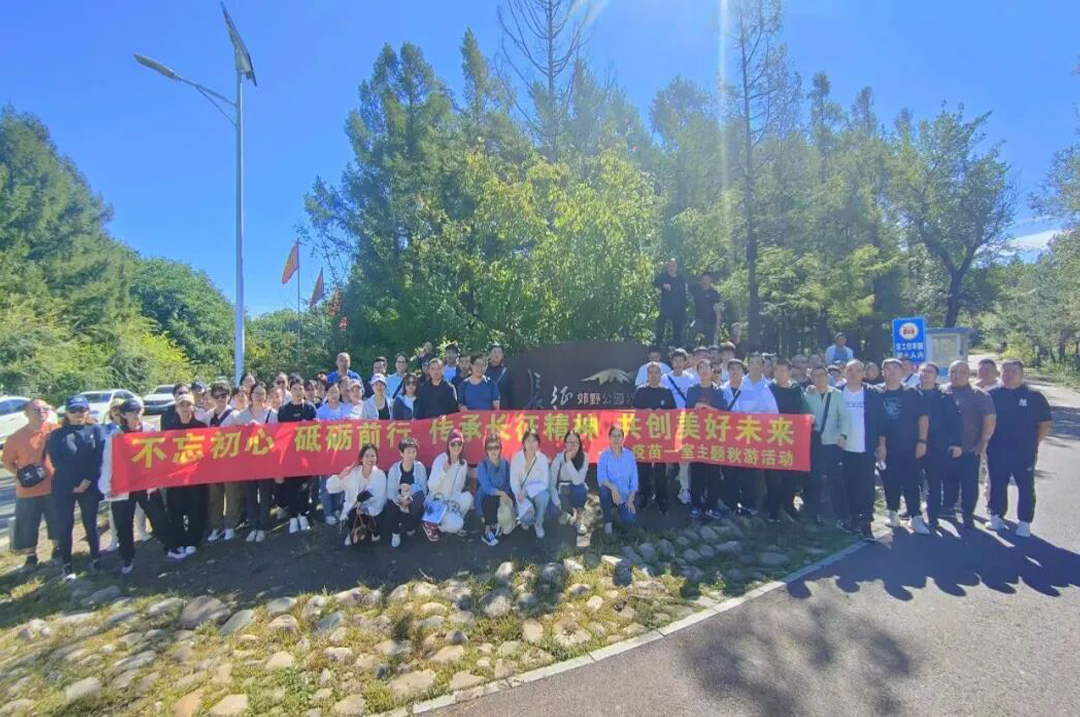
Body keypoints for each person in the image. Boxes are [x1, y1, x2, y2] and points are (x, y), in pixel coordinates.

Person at [99, 398, 181, 573]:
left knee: (159, 518)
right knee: (123, 524)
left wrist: (160, 477)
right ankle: (127, 559)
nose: (136, 415)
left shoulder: (149, 430)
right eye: (132, 412)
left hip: (146, 483)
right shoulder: (115, 436)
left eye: (139, 411)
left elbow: (159, 455)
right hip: (123, 486)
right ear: (123, 415)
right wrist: (107, 487)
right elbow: (107, 463)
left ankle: (171, 548)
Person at [986, 359, 1052, 537]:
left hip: (1024, 451)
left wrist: (1034, 443)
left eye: (1013, 371)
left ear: (1022, 374)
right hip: (997, 449)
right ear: (1000, 373)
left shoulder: (1034, 396)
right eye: (1005, 371)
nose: (1009, 375)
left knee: (1025, 486)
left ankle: (1024, 522)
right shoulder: (991, 395)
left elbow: (1044, 424)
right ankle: (996, 516)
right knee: (997, 484)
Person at [47, 396, 107, 578]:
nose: (78, 414)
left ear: (88, 410)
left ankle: (96, 559)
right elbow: (56, 461)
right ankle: (67, 564)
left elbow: (99, 458)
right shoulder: (57, 434)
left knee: (90, 522)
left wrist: (87, 481)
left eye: (82, 409)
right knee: (65, 524)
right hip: (64, 485)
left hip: (89, 483)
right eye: (73, 410)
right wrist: (72, 484)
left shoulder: (96, 430)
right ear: (66, 413)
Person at [2, 399, 59, 571]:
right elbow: (7, 462)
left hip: (54, 486)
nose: (42, 412)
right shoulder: (16, 437)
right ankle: (30, 556)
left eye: (45, 408)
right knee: (27, 523)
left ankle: (57, 550)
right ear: (26, 413)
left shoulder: (56, 430)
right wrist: (20, 475)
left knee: (56, 519)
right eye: (37, 409)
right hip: (28, 490)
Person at [942, 360, 996, 528]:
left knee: (969, 484)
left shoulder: (979, 395)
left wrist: (983, 441)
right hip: (945, 448)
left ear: (968, 374)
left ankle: (967, 514)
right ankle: (948, 507)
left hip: (970, 447)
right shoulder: (942, 391)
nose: (957, 375)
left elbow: (990, 420)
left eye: (962, 372)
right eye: (953, 371)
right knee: (948, 480)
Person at [879, 358, 930, 533]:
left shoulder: (912, 393)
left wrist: (922, 441)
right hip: (886, 447)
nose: (891, 371)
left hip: (910, 446)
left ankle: (915, 517)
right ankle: (893, 513)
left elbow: (923, 418)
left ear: (902, 372)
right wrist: (880, 446)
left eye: (895, 368)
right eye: (887, 368)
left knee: (912, 481)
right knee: (889, 480)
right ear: (882, 372)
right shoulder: (877, 392)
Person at [839, 360, 885, 539]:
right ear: (845, 372)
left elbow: (881, 422)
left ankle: (866, 522)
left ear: (863, 373)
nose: (853, 374)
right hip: (843, 448)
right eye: (850, 370)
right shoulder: (837, 392)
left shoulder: (873, 394)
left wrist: (882, 445)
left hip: (866, 447)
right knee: (848, 484)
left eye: (858, 371)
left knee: (866, 486)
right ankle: (852, 518)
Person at [726, 355, 777, 515]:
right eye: (752, 363)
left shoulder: (768, 387)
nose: (755, 366)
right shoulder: (731, 385)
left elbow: (774, 414)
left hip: (753, 436)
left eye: (758, 363)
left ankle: (749, 505)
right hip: (731, 436)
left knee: (749, 473)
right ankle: (731, 504)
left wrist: (754, 417)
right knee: (730, 471)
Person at [916, 363, 962, 531]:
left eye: (930, 372)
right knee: (912, 481)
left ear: (936, 376)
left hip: (937, 446)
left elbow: (955, 422)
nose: (926, 374)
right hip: (913, 444)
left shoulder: (944, 397)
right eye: (923, 371)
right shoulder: (911, 393)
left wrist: (956, 443)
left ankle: (933, 517)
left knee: (934, 483)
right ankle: (914, 513)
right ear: (918, 373)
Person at [765, 359, 812, 522]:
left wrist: (809, 419)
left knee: (792, 475)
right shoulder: (768, 389)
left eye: (783, 370)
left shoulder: (796, 389)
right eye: (777, 370)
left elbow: (804, 409)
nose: (780, 374)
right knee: (774, 476)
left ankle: (788, 505)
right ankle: (773, 509)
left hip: (792, 438)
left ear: (789, 372)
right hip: (772, 438)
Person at [162, 391, 208, 554]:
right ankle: (179, 539)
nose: (185, 408)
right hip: (176, 476)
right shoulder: (169, 429)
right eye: (181, 405)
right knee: (175, 509)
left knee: (196, 507)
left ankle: (193, 540)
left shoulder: (201, 427)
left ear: (193, 408)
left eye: (188, 404)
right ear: (176, 408)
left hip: (196, 476)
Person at [686, 360, 732, 520]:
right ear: (697, 372)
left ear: (712, 371)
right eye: (701, 368)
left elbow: (724, 412)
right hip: (696, 437)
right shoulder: (692, 390)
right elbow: (687, 410)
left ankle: (712, 506)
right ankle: (696, 505)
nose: (704, 371)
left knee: (713, 473)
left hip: (714, 438)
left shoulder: (718, 391)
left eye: (707, 368)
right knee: (696, 472)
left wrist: (707, 408)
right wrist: (696, 407)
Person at [804, 365, 850, 524]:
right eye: (815, 376)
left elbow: (844, 417)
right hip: (815, 443)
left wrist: (844, 435)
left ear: (827, 376)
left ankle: (841, 514)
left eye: (822, 375)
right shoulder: (808, 395)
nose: (819, 379)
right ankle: (814, 513)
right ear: (811, 378)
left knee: (836, 480)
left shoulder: (836, 394)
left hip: (833, 443)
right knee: (814, 480)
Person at [233, 383, 277, 543]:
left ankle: (263, 526)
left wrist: (260, 429)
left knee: (265, 494)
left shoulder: (272, 414)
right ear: (250, 395)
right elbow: (236, 438)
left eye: (262, 393)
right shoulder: (241, 415)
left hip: (265, 460)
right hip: (247, 462)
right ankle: (253, 525)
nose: (259, 396)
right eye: (256, 393)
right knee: (250, 495)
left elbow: (275, 436)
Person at [633, 361, 677, 513]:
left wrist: (662, 413)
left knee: (660, 469)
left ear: (660, 374)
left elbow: (673, 414)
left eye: (656, 372)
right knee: (643, 468)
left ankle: (661, 498)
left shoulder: (667, 392)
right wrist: (644, 412)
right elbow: (632, 412)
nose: (653, 375)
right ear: (647, 375)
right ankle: (644, 496)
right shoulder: (641, 391)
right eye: (650, 372)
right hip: (643, 436)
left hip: (660, 436)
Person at [328, 444, 388, 545]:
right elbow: (330, 488)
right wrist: (342, 475)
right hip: (355, 510)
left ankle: (374, 531)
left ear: (376, 458)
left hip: (372, 509)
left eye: (373, 456)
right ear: (361, 459)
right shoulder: (353, 473)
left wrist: (365, 509)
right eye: (366, 456)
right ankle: (352, 532)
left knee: (376, 520)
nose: (370, 459)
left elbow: (380, 498)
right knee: (353, 516)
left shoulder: (380, 474)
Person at [278, 377, 316, 534]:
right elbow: (279, 433)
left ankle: (303, 514)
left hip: (306, 454)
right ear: (290, 390)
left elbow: (317, 430)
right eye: (294, 389)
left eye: (300, 389)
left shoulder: (310, 408)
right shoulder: (283, 410)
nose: (298, 392)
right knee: (291, 486)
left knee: (305, 486)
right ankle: (293, 516)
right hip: (289, 455)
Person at [205, 381, 241, 541]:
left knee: (232, 495)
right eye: (217, 396)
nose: (220, 399)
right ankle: (216, 526)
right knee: (214, 496)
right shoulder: (208, 416)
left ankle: (230, 525)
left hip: (231, 462)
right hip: (212, 462)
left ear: (229, 396)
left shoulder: (235, 415)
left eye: (223, 395)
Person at [663, 348, 698, 505]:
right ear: (671, 362)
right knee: (667, 455)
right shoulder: (664, 378)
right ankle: (665, 485)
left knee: (685, 457)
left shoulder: (691, 379)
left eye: (681, 361)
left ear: (685, 362)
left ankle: (685, 489)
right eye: (675, 360)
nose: (678, 364)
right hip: (669, 422)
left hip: (687, 422)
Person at [315, 382, 353, 524]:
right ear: (326, 394)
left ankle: (337, 507)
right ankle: (328, 512)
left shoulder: (346, 408)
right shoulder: (321, 411)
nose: (333, 395)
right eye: (330, 392)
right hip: (326, 452)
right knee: (326, 482)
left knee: (341, 479)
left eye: (336, 392)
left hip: (342, 450)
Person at [424, 430, 472, 540]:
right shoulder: (440, 459)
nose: (456, 447)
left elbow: (459, 487)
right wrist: (443, 471)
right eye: (453, 444)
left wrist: (453, 500)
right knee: (458, 524)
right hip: (437, 501)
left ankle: (452, 522)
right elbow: (431, 486)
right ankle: (432, 524)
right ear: (448, 445)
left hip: (450, 501)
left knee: (468, 497)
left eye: (459, 444)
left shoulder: (463, 463)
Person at [383, 437, 428, 548]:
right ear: (401, 453)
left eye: (413, 452)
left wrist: (410, 492)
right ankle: (395, 533)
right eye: (408, 452)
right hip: (398, 501)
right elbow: (391, 493)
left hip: (412, 502)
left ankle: (410, 526)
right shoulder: (394, 469)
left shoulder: (420, 467)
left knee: (410, 530)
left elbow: (423, 490)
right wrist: (400, 500)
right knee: (390, 507)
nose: (411, 455)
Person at [510, 430, 552, 539]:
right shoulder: (516, 458)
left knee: (544, 497)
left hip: (536, 493)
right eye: (528, 441)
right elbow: (514, 483)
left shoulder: (542, 459)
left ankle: (538, 523)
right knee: (527, 515)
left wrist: (527, 490)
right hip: (520, 495)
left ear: (538, 443)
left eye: (534, 441)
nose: (531, 444)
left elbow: (544, 483)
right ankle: (526, 521)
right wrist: (525, 503)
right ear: (523, 443)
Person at [597, 425, 638, 534]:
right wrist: (613, 488)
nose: (616, 439)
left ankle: (619, 512)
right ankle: (608, 521)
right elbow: (601, 478)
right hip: (609, 494)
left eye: (619, 436)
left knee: (630, 521)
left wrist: (630, 500)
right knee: (603, 491)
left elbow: (634, 482)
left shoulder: (629, 456)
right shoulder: (603, 456)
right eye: (613, 436)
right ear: (609, 438)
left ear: (623, 438)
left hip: (625, 496)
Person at [549, 429, 589, 536]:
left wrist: (568, 461)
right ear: (565, 444)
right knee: (553, 510)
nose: (572, 445)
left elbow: (578, 481)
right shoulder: (558, 458)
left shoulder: (585, 457)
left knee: (582, 489)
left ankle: (579, 519)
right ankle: (564, 512)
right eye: (569, 442)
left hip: (576, 490)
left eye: (575, 442)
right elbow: (551, 483)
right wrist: (558, 503)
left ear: (580, 444)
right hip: (561, 492)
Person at [477, 434, 513, 546]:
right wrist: (500, 493)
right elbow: (486, 487)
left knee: (507, 529)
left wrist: (504, 495)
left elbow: (509, 483)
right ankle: (487, 530)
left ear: (500, 448)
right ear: (486, 450)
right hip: (486, 499)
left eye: (496, 447)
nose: (493, 451)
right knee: (490, 500)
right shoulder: (482, 465)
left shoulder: (505, 464)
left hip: (502, 497)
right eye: (490, 448)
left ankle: (499, 524)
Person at [654, 258, 687, 347]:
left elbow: (684, 291)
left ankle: (677, 346)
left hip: (678, 308)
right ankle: (658, 344)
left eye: (673, 265)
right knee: (660, 322)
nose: (671, 267)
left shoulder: (681, 278)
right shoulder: (663, 276)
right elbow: (655, 282)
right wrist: (663, 285)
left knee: (677, 327)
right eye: (670, 265)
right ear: (667, 267)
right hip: (666, 306)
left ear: (676, 267)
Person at [690, 271, 722, 345]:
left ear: (710, 281)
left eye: (707, 280)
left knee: (709, 342)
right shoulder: (696, 290)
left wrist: (718, 325)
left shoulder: (714, 293)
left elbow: (718, 310)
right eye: (704, 279)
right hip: (699, 320)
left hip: (711, 322)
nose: (705, 282)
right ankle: (691, 348)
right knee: (692, 329)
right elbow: (686, 286)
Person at [486, 344, 515, 410]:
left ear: (502, 356)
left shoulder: (506, 372)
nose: (497, 354)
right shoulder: (483, 371)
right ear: (489, 354)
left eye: (499, 352)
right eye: (494, 352)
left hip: (503, 409)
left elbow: (511, 394)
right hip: (485, 409)